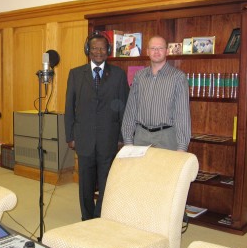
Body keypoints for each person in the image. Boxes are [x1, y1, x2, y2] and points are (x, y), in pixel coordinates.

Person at [65, 32, 129, 220]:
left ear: (108, 51)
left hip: (108, 139)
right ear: (88, 50)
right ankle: (87, 218)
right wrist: (70, 135)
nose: (98, 52)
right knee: (85, 183)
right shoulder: (76, 74)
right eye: (94, 48)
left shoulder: (118, 74)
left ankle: (101, 217)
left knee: (106, 183)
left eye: (102, 48)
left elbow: (123, 107)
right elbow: (69, 107)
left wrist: (121, 138)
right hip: (83, 138)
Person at [121, 35, 191, 151]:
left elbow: (182, 114)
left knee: (165, 170)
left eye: (160, 48)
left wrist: (182, 147)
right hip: (141, 137)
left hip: (166, 137)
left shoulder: (178, 77)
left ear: (167, 51)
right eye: (153, 48)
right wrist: (128, 140)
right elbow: (131, 109)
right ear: (147, 52)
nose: (156, 51)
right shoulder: (139, 76)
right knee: (141, 170)